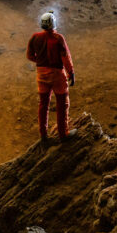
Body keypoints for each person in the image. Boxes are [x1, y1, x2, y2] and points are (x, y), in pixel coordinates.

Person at [26, 11, 77, 141]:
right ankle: (63, 134)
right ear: (53, 23)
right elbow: (65, 57)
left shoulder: (34, 38)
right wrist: (71, 72)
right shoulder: (58, 38)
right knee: (62, 103)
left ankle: (43, 135)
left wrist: (41, 62)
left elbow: (29, 56)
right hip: (57, 75)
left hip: (41, 75)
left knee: (43, 104)